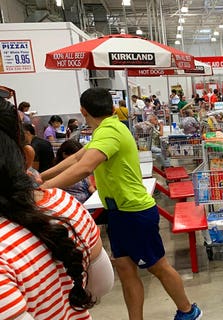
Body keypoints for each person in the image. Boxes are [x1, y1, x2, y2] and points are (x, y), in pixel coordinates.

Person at [40, 87, 202, 320]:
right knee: (126, 271)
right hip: (118, 213)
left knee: (158, 266)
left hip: (134, 212)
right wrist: (42, 177)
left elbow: (85, 167)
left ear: (83, 111)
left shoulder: (110, 132)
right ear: (112, 107)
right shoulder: (106, 130)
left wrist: (44, 188)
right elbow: (77, 157)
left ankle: (188, 311)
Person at [0, 98, 113, 319]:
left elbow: (83, 164)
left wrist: (41, 180)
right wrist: (40, 185)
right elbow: (102, 286)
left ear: (85, 112)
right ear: (26, 157)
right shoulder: (64, 203)